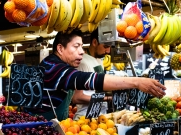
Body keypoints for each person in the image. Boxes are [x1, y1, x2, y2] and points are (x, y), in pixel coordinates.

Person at [25, 30, 166, 121]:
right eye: (76, 46)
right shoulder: (54, 68)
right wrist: (136, 82)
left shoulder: (59, 66)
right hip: (38, 130)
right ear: (60, 48)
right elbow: (91, 80)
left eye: (81, 46)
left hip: (53, 127)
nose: (81, 51)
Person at [72, 29, 112, 119]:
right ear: (94, 42)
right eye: (106, 46)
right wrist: (107, 98)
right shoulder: (82, 62)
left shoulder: (99, 61)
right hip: (85, 118)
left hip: (100, 116)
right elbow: (76, 97)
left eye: (110, 47)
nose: (108, 51)